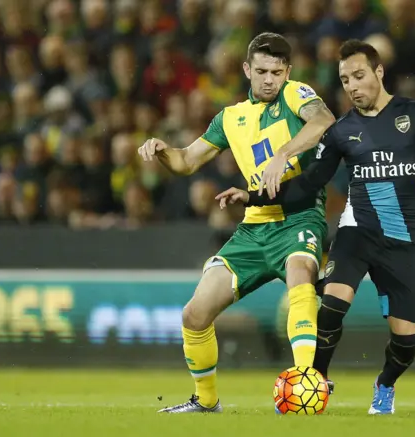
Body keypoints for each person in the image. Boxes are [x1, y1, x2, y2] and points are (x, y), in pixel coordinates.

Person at [216, 39, 415, 415]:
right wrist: (253, 196)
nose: (352, 86)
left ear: (378, 72)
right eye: (345, 80)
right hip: (356, 233)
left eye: (358, 76)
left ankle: (385, 383)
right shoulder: (341, 131)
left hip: (403, 239)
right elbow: (308, 183)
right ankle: (314, 382)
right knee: (332, 304)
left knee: (406, 341)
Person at [138, 33, 336, 413]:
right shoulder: (230, 118)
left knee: (300, 273)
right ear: (246, 69)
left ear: (288, 72)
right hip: (253, 228)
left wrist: (284, 153)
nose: (268, 80)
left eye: (277, 72)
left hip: (298, 218)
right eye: (261, 71)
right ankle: (206, 401)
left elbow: (324, 120)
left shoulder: (296, 94)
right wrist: (163, 150)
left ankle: (305, 377)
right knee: (194, 314)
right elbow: (186, 161)